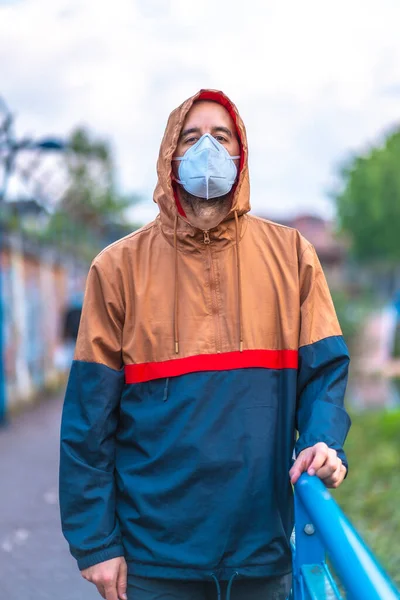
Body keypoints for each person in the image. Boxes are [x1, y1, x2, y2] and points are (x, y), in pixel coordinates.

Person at [59, 89, 351, 600]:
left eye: (222, 137)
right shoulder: (118, 269)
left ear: (241, 154)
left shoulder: (292, 256)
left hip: (263, 552)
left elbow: (324, 375)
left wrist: (323, 442)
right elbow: (88, 421)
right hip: (154, 562)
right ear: (169, 156)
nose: (207, 150)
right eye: (191, 138)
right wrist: (96, 543)